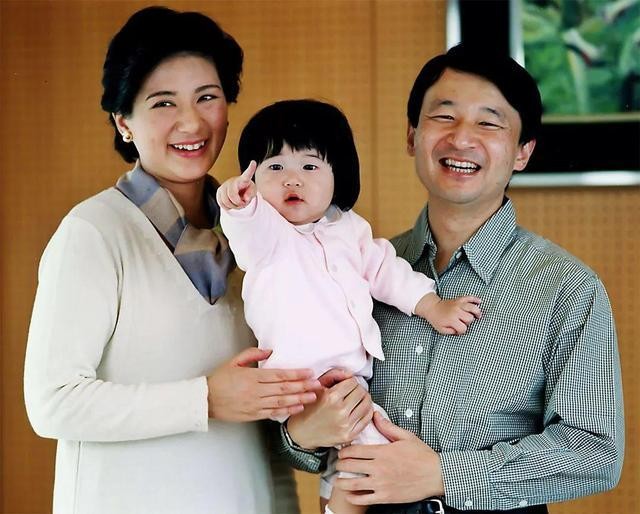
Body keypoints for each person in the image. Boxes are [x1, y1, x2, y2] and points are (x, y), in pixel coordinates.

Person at [277, 44, 625, 514]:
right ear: (412, 136)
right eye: (444, 116)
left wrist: (444, 474)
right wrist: (300, 436)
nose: (462, 139)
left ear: (523, 152)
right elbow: (299, 414)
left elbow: (596, 453)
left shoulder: (567, 287)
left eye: (489, 123)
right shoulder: (356, 268)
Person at [23, 7, 322, 514]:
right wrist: (204, 399)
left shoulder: (261, 234)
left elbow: (265, 418)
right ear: (123, 122)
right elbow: (53, 401)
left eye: (207, 97)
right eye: (163, 102)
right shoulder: (94, 233)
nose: (192, 121)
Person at [216, 99, 482, 514]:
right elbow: (245, 230)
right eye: (274, 167)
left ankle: (331, 500)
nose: (292, 179)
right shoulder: (267, 236)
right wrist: (238, 205)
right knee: (369, 449)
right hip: (297, 378)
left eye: (310, 166)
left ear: (337, 175)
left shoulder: (350, 229)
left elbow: (387, 272)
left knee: (344, 456)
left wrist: (432, 306)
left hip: (346, 376)